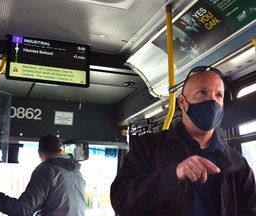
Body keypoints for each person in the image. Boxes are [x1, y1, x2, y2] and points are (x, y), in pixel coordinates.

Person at [110, 66, 256, 216]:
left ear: (223, 105)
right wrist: (173, 175)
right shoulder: (149, 146)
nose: (212, 101)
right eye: (202, 92)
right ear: (181, 101)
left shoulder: (237, 163)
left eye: (218, 95)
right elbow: (121, 200)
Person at [0, 134, 86, 216]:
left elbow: (22, 209)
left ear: (39, 154)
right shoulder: (77, 173)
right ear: (60, 151)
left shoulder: (46, 169)